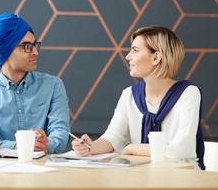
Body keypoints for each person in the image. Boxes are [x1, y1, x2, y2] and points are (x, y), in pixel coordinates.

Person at [72, 26, 205, 169]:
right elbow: (113, 137)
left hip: (181, 178)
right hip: (140, 176)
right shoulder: (129, 94)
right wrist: (90, 146)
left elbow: (182, 150)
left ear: (156, 57)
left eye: (135, 50)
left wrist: (132, 148)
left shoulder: (188, 93)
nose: (128, 56)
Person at [0, 13, 70, 154]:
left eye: (35, 45)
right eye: (27, 46)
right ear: (5, 50)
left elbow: (61, 133)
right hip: (1, 173)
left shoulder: (54, 86)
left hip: (47, 172)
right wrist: (21, 146)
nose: (35, 52)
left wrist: (46, 144)